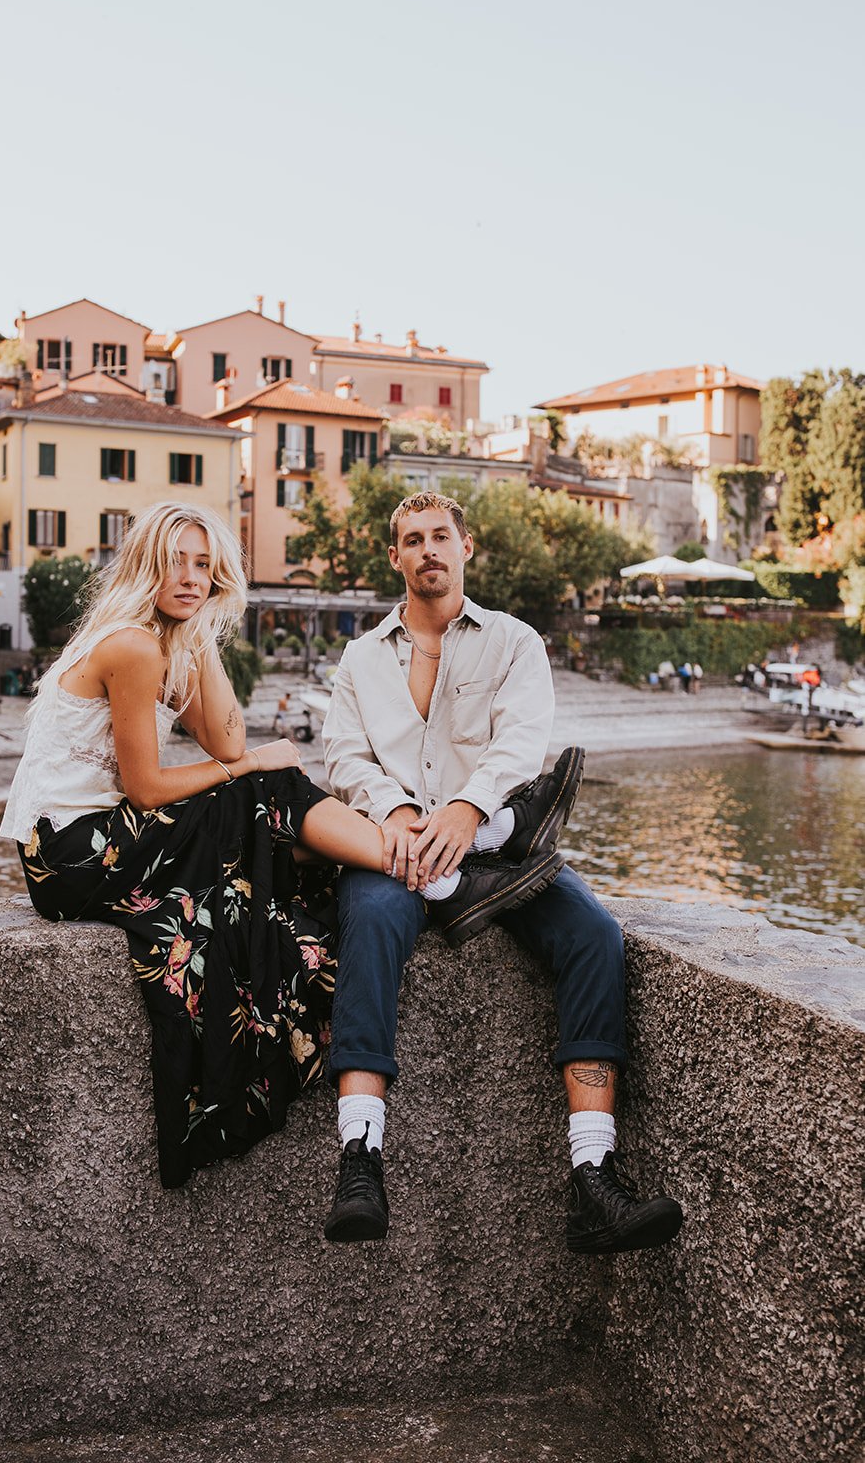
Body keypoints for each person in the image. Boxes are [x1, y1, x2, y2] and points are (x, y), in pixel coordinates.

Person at [0, 502, 561, 1189]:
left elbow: (227, 738)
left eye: (204, 566)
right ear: (145, 562)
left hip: (101, 844)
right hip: (73, 854)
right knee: (263, 791)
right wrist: (246, 769)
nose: (191, 577)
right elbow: (149, 788)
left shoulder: (164, 643)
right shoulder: (133, 647)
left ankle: (431, 868)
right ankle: (439, 875)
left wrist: (202, 636)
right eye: (177, 561)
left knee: (277, 815)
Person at [321, 491, 684, 1255]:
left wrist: (465, 809)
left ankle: (592, 1176)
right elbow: (344, 756)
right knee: (375, 920)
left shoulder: (514, 642)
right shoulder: (359, 657)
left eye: (440, 537)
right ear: (394, 557)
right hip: (393, 845)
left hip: (493, 849)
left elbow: (520, 745)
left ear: (465, 547)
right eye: (412, 539)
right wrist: (393, 812)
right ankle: (360, 1160)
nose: (427, 550)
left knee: (593, 935)